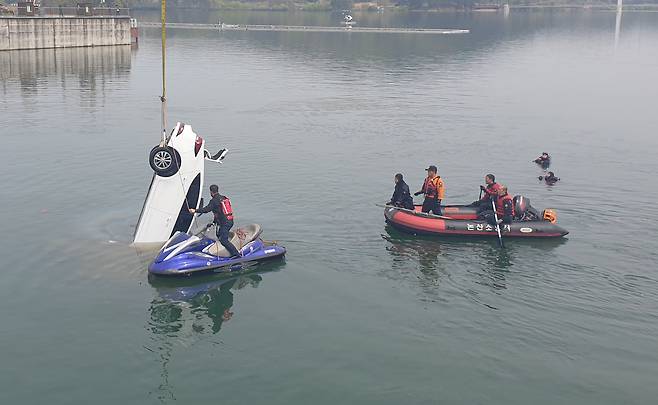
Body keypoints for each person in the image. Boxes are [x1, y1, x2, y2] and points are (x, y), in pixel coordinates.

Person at [189, 184, 240, 258]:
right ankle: (224, 250)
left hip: (225, 223)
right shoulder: (223, 198)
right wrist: (214, 222)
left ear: (211, 192)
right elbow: (219, 212)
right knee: (219, 235)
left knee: (223, 240)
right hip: (229, 221)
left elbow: (206, 209)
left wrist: (195, 210)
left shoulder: (214, 201)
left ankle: (236, 255)